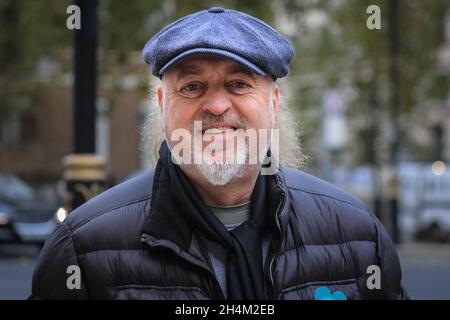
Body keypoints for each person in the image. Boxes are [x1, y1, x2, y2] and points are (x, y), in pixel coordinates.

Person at [30, 7, 408, 300]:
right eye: (192, 86)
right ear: (162, 105)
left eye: (239, 83)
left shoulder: (358, 235)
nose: (216, 105)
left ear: (274, 103)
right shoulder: (81, 248)